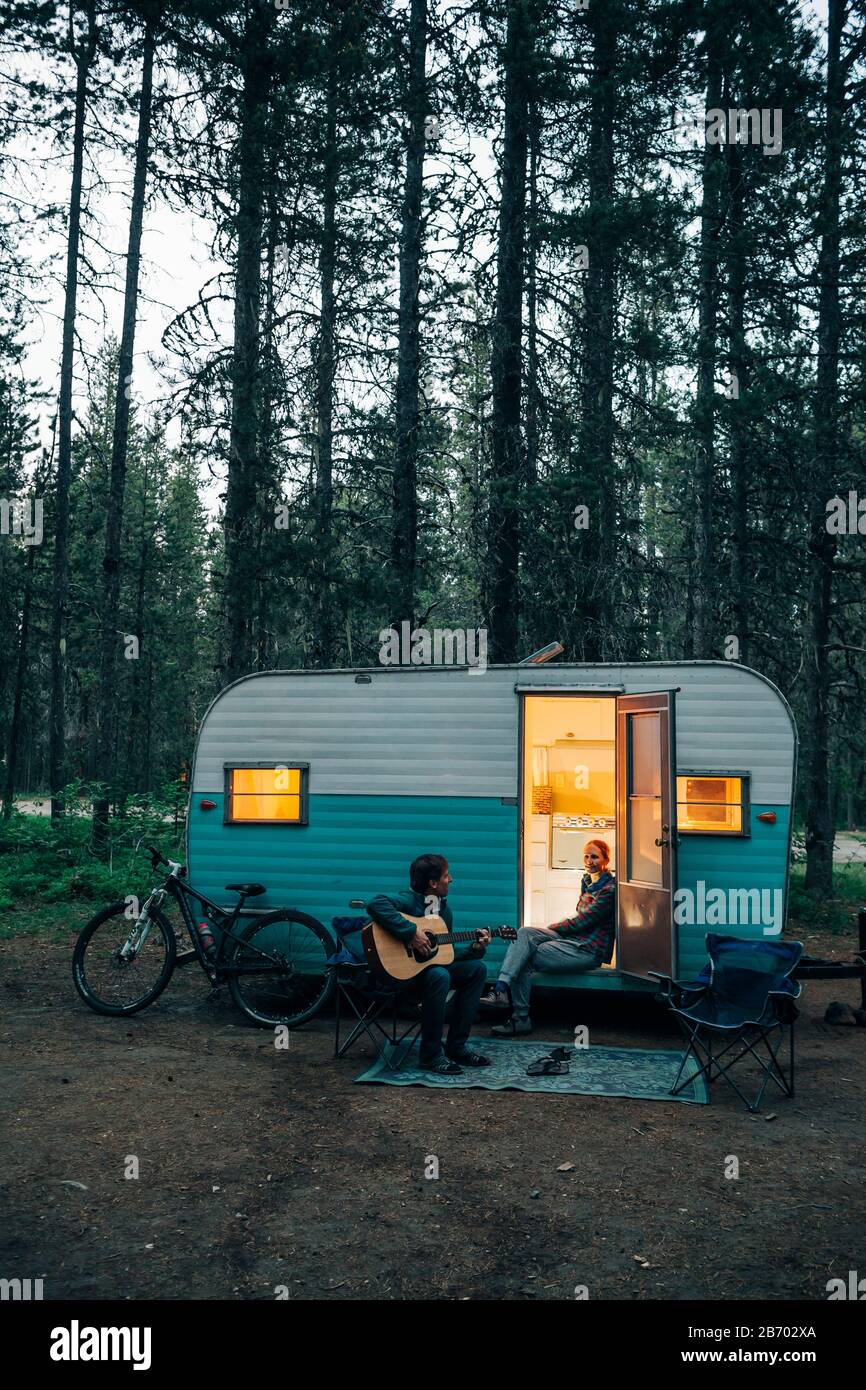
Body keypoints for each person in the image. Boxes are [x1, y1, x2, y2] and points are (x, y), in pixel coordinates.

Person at [365, 854, 492, 1075]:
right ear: (433, 883)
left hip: (428, 973)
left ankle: (456, 1047)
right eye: (446, 875)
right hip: (402, 976)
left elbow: (444, 955)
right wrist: (411, 932)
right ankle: (431, 1056)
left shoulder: (443, 911)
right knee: (439, 975)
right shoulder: (408, 900)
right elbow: (375, 903)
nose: (450, 879)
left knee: (477, 970)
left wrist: (475, 949)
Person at [479, 839, 615, 1036]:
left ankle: (520, 1018)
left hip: (588, 949)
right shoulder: (586, 881)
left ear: (605, 859)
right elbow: (576, 921)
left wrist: (553, 928)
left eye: (595, 856)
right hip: (571, 941)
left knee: (525, 956)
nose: (589, 860)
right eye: (586, 856)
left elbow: (582, 922)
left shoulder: (609, 891)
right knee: (524, 932)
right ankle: (500, 990)